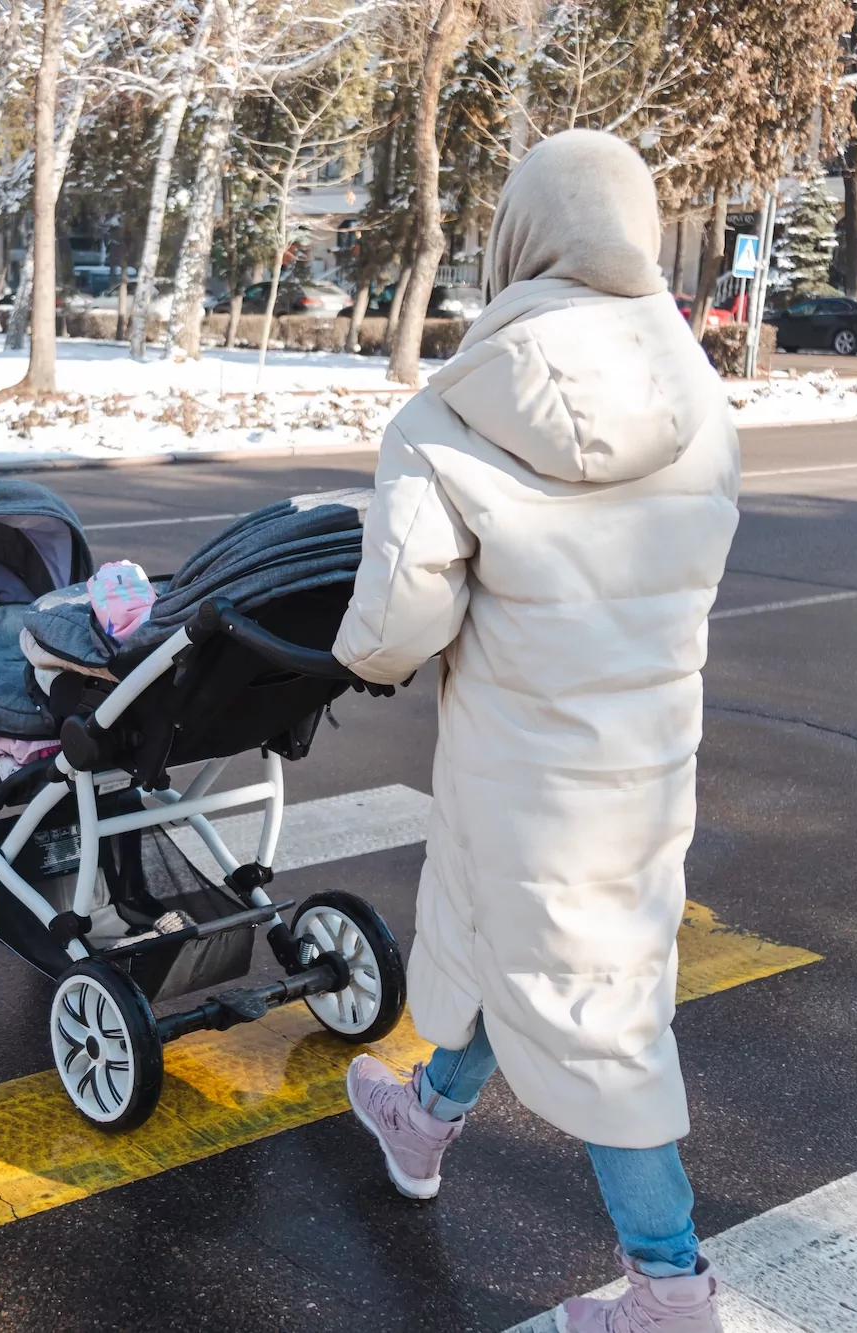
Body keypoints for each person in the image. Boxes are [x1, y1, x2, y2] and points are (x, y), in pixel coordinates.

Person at [334, 129, 741, 1333]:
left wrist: (354, 655)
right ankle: (423, 1118)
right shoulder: (697, 398)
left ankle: (669, 1289)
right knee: (536, 961)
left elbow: (395, 627)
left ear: (517, 238)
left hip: (517, 771)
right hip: (646, 759)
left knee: (598, 1020)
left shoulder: (447, 415)